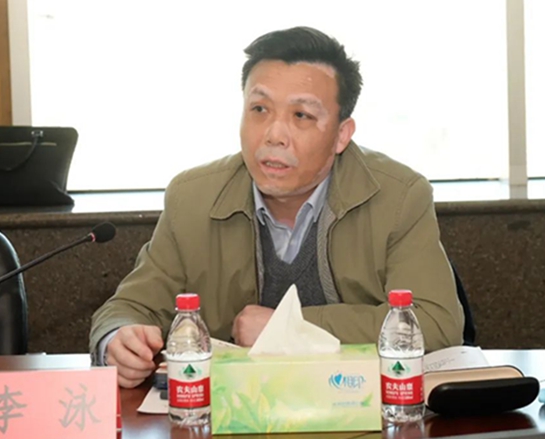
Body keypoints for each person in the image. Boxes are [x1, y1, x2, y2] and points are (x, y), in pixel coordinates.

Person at [90, 26, 464, 388]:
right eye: (259, 109)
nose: (274, 135)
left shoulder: (398, 197)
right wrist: (118, 340)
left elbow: (436, 323)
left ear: (341, 135)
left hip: (358, 411)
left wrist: (288, 329)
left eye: (301, 116)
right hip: (233, 416)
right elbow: (129, 307)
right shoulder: (193, 198)